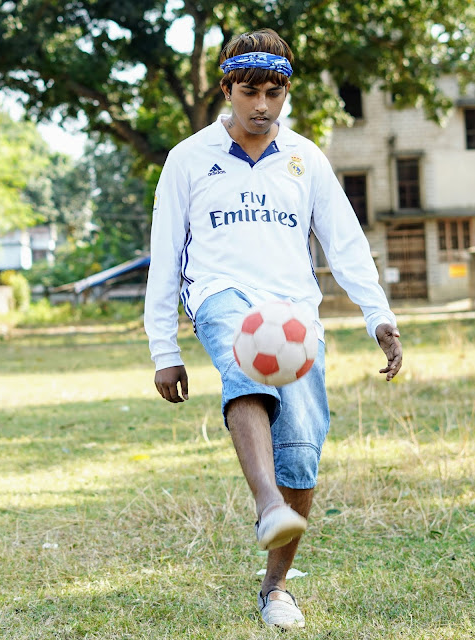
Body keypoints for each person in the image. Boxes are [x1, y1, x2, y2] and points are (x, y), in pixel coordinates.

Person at [144, 28, 402, 630]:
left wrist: (379, 316)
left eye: (275, 92)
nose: (263, 105)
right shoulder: (188, 159)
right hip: (220, 296)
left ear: (286, 93)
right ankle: (266, 505)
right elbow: (166, 256)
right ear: (227, 88)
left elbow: (345, 243)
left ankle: (276, 586)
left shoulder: (305, 158)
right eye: (250, 91)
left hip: (296, 314)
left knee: (302, 460)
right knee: (244, 367)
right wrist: (165, 348)